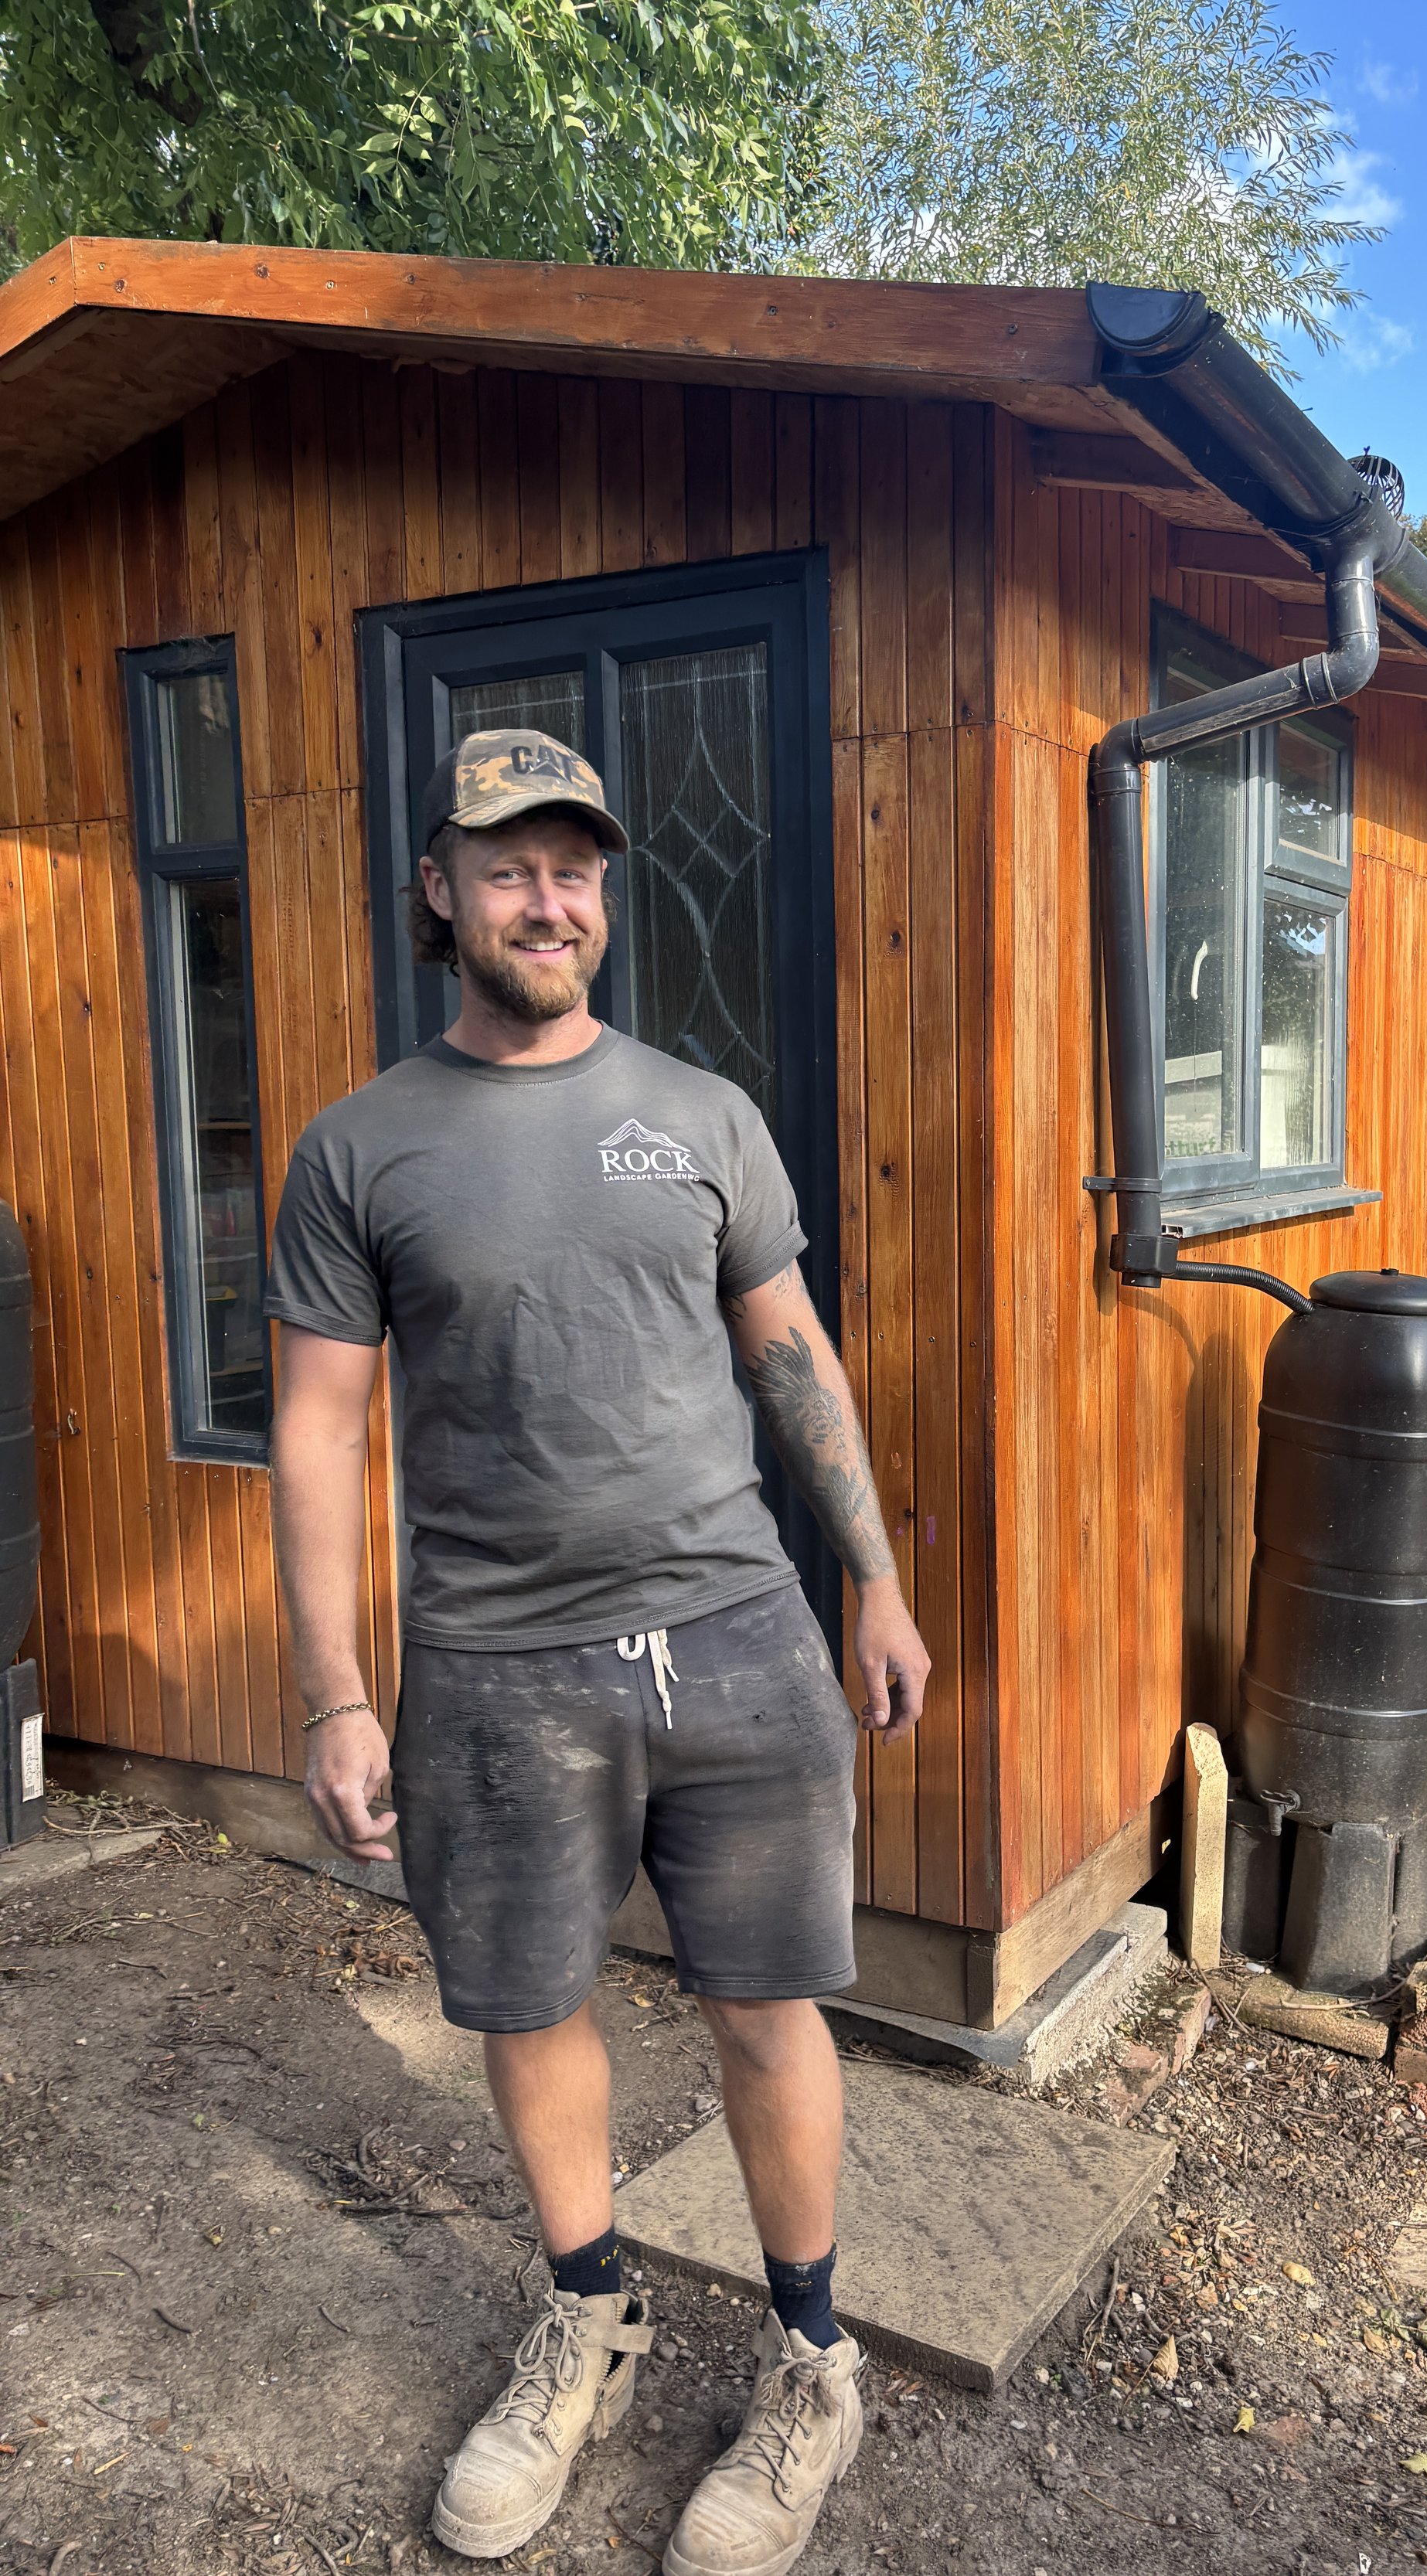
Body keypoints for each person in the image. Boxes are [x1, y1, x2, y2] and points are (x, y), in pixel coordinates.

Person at [267, 727, 929, 2570]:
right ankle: (589, 2316)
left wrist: (871, 1576)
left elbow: (789, 1356)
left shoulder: (702, 1111)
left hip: (734, 1638)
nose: (546, 899)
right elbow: (317, 1433)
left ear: (602, 895)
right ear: (440, 892)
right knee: (528, 2000)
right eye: (505, 866)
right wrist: (335, 1688)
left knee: (765, 2005)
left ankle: (810, 2359)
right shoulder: (360, 1146)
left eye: (573, 868)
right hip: (493, 1657)